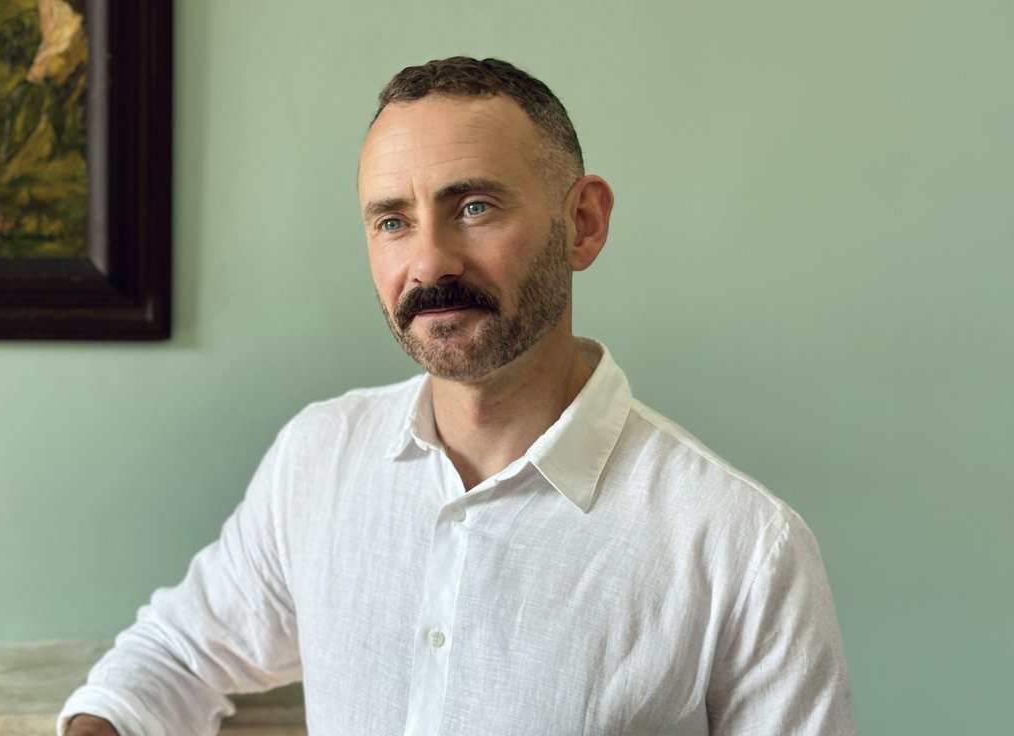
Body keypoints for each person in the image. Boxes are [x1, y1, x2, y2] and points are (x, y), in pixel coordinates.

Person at [60, 57, 855, 736]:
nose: (430, 263)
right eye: (392, 221)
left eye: (473, 207)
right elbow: (175, 656)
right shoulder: (319, 457)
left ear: (583, 223)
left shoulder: (745, 550)